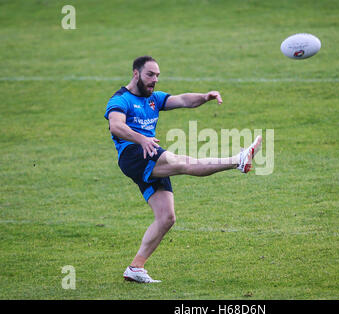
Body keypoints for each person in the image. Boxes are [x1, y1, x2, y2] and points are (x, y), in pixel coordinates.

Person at [104, 55, 262, 283]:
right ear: (136, 74)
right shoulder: (120, 100)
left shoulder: (153, 99)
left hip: (148, 153)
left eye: (157, 76)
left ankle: (136, 267)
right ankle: (238, 159)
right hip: (134, 154)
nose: (154, 80)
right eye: (150, 75)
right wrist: (141, 139)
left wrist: (205, 97)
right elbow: (116, 126)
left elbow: (183, 100)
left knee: (166, 217)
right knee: (182, 162)